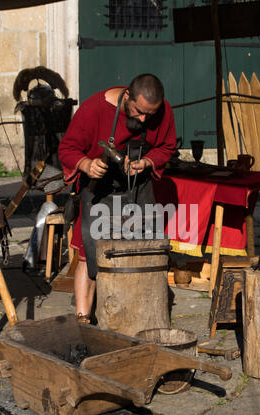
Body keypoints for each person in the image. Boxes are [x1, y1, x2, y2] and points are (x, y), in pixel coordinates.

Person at [58, 73, 177, 323]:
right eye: (139, 111)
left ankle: (136, 314)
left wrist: (146, 161)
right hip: (99, 190)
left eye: (150, 114)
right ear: (127, 96)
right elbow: (67, 149)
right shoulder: (94, 110)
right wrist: (86, 164)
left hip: (138, 188)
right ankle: (82, 320)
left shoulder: (162, 111)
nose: (144, 119)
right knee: (88, 255)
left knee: (141, 251)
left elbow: (166, 147)